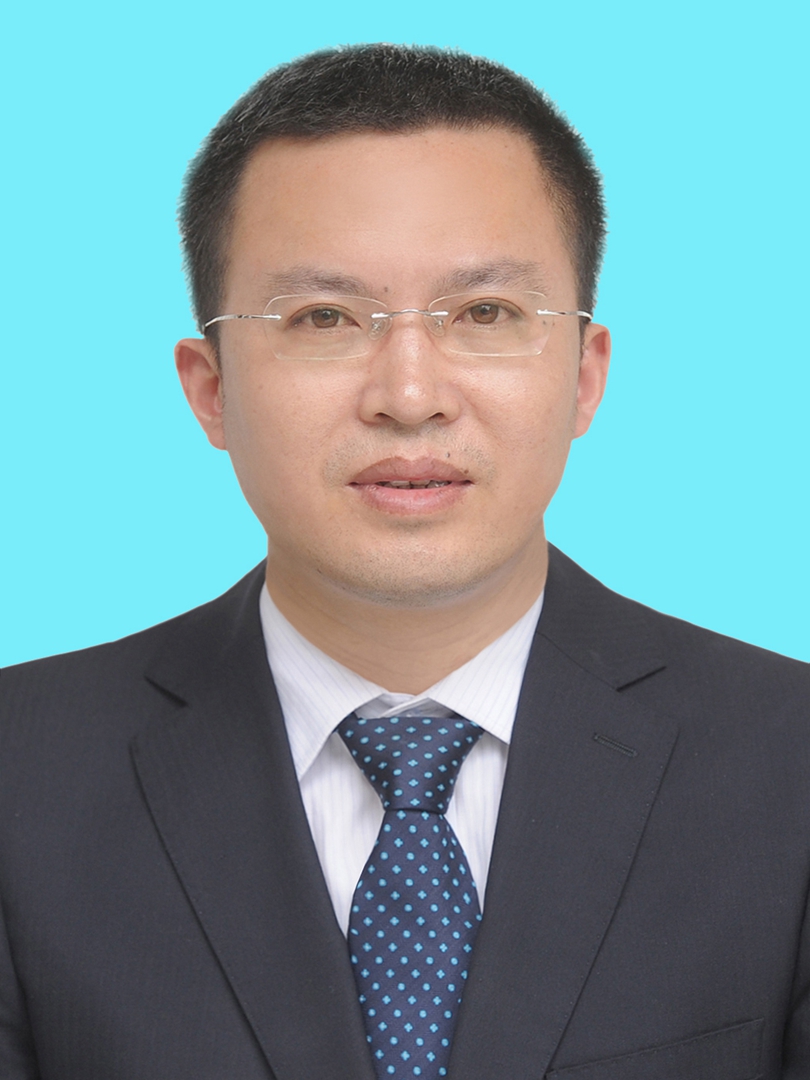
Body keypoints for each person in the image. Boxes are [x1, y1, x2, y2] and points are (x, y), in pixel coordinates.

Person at [0, 43, 808, 1080]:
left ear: (584, 374)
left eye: (485, 314)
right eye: (324, 318)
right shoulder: (22, 774)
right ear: (211, 389)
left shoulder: (788, 763)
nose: (410, 396)